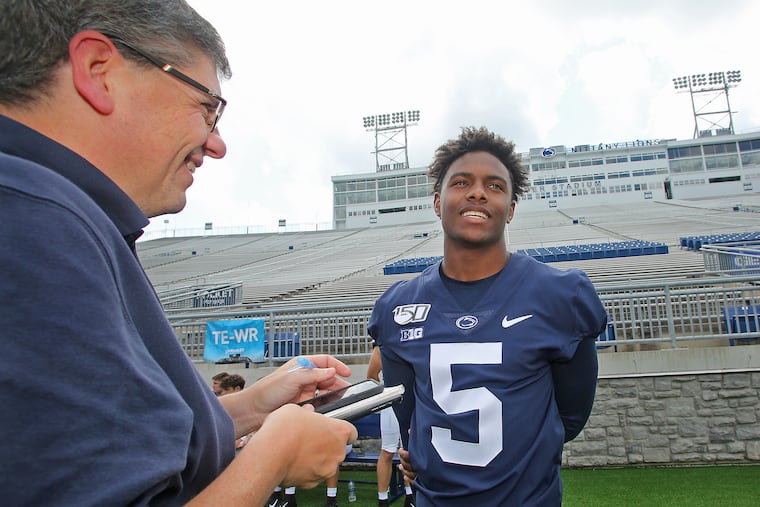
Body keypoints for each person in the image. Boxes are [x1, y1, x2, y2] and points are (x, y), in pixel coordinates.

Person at [0, 2, 357, 505]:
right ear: (99, 71)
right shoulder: (35, 223)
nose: (216, 144)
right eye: (207, 107)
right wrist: (273, 454)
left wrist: (250, 407)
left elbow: (126, 448)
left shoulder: (47, 211)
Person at [368, 127, 608, 506]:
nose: (477, 192)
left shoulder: (562, 296)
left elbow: (569, 419)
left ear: (510, 209)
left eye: (495, 186)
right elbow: (409, 418)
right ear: (437, 202)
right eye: (461, 182)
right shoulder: (397, 308)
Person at [367, 347, 416, 507]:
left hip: (413, 402)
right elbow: (371, 376)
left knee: (410, 450)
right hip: (392, 403)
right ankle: (383, 500)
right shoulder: (382, 347)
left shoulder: (418, 341)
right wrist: (386, 396)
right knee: (387, 451)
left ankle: (411, 496)